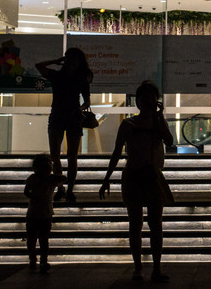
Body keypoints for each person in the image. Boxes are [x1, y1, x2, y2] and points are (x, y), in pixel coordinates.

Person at [99, 81, 174, 282]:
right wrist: (107, 178)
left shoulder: (155, 122)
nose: (147, 101)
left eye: (151, 98)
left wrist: (159, 117)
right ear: (138, 101)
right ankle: (140, 268)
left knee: (152, 223)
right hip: (137, 175)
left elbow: (169, 141)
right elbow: (116, 152)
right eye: (144, 98)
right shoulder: (128, 124)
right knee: (137, 224)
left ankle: (152, 268)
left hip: (149, 175)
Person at [36, 47, 93, 203]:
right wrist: (56, 61)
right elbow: (39, 66)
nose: (72, 63)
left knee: (65, 156)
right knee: (63, 155)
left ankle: (66, 189)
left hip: (65, 117)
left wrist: (80, 109)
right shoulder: (68, 77)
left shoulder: (64, 76)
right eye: (70, 59)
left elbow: (87, 101)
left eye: (75, 60)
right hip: (65, 116)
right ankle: (64, 189)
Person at [24, 153, 66, 273]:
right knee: (43, 239)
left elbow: (26, 191)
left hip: (33, 212)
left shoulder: (34, 178)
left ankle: (33, 260)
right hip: (45, 213)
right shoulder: (51, 179)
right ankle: (42, 260)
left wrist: (34, 196)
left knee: (32, 239)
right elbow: (63, 178)